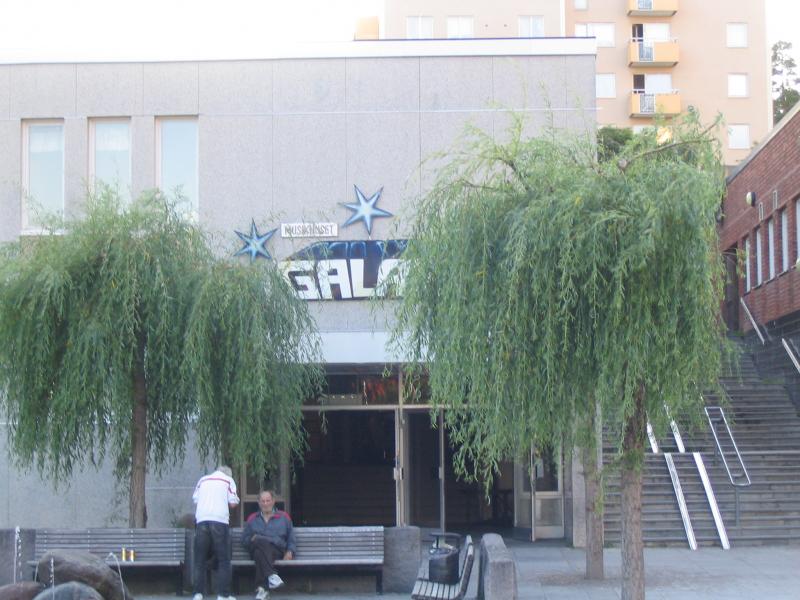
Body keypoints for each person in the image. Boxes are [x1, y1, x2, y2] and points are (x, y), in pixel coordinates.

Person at [192, 465, 240, 600]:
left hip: (201, 520)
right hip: (219, 520)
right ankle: (223, 594)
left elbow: (195, 499)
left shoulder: (203, 480)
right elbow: (233, 502)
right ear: (228, 474)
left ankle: (197, 593)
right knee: (224, 559)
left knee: (200, 559)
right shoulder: (228, 480)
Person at [241, 490, 296, 599]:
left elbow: (291, 537)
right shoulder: (252, 518)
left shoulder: (284, 517)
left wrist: (290, 551)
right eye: (263, 501)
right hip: (255, 547)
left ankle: (262, 589)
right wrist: (252, 539)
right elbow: (244, 540)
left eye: (268, 500)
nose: (265, 504)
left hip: (276, 550)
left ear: (273, 501)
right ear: (259, 503)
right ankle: (271, 575)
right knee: (259, 544)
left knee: (259, 553)